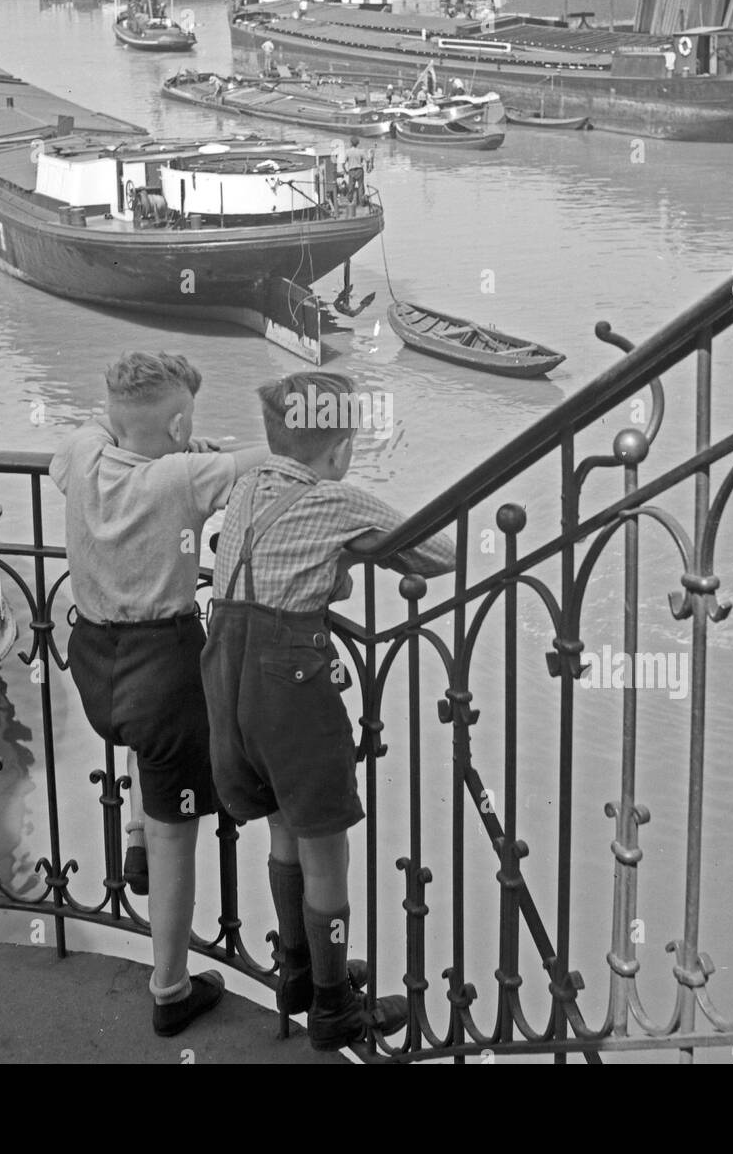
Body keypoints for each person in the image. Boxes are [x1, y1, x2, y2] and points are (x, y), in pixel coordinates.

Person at [200, 372, 456, 1050]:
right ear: (341, 448)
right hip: (290, 685)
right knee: (327, 851)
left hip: (226, 682)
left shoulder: (246, 486)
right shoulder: (336, 499)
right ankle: (335, 1006)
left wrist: (330, 567)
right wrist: (350, 550)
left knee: (285, 824)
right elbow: (441, 556)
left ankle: (300, 966)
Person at [51, 351, 269, 1037]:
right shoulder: (181, 478)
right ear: (179, 424)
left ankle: (136, 834)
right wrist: (205, 452)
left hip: (91, 662)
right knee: (184, 836)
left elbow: (94, 429)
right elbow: (274, 460)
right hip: (162, 672)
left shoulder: (85, 453)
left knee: (135, 741)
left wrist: (168, 437)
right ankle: (171, 989)